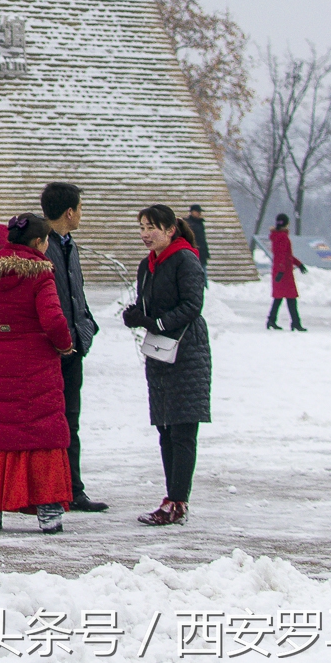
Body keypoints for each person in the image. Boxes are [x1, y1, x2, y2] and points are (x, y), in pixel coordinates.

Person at [0, 212, 75, 534]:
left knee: (3, 433)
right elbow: (54, 321)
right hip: (37, 363)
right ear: (39, 242)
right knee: (42, 432)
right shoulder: (41, 275)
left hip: (2, 359)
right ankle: (47, 508)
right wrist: (65, 345)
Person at [124, 205, 212, 526]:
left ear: (170, 230)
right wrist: (136, 315)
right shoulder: (147, 266)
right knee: (164, 426)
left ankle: (178, 501)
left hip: (187, 352)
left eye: (152, 228)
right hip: (160, 353)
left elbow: (192, 305)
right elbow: (147, 304)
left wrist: (155, 321)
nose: (146, 234)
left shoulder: (186, 259)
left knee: (182, 428)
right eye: (142, 227)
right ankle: (171, 496)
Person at [40, 182, 106, 513]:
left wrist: (86, 327)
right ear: (70, 212)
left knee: (71, 421)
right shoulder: (40, 247)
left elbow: (75, 294)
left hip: (73, 346)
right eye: (80, 208)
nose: (81, 214)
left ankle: (72, 488)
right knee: (51, 422)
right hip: (51, 350)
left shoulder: (69, 246)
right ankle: (54, 489)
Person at [266, 213, 307, 331]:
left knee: (279, 298)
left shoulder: (277, 236)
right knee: (291, 298)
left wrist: (298, 264)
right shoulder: (283, 237)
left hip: (281, 271)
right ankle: (295, 323)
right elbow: (282, 256)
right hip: (284, 273)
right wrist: (282, 271)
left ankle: (271, 320)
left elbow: (285, 255)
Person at [185, 204, 212, 268]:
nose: (199, 213)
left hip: (201, 252)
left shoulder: (200, 223)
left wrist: (206, 252)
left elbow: (203, 239)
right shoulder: (187, 223)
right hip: (192, 251)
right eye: (197, 211)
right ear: (192, 212)